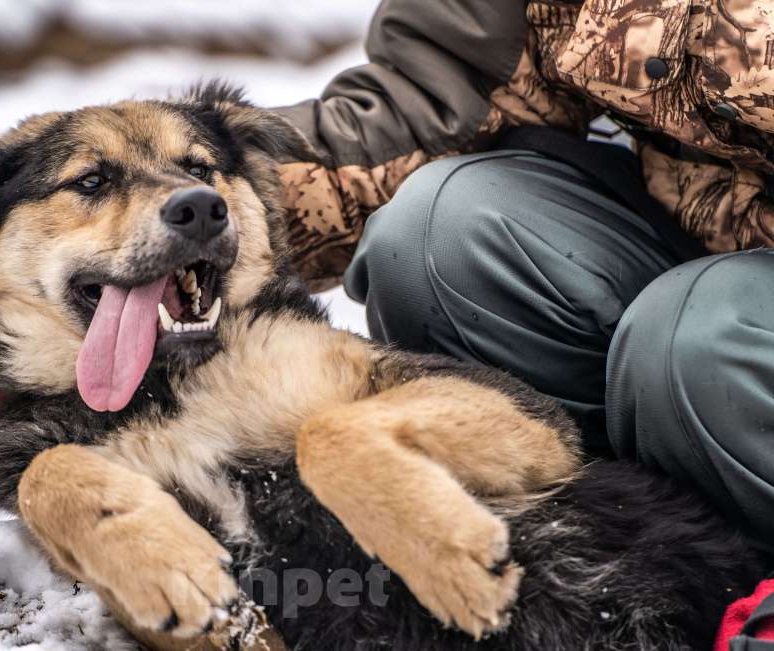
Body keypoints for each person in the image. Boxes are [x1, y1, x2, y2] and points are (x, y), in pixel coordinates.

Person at [272, 0, 774, 549]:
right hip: (692, 240)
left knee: (695, 342)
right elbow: (438, 94)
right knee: (440, 237)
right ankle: (607, 571)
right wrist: (198, 196)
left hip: (711, 326)